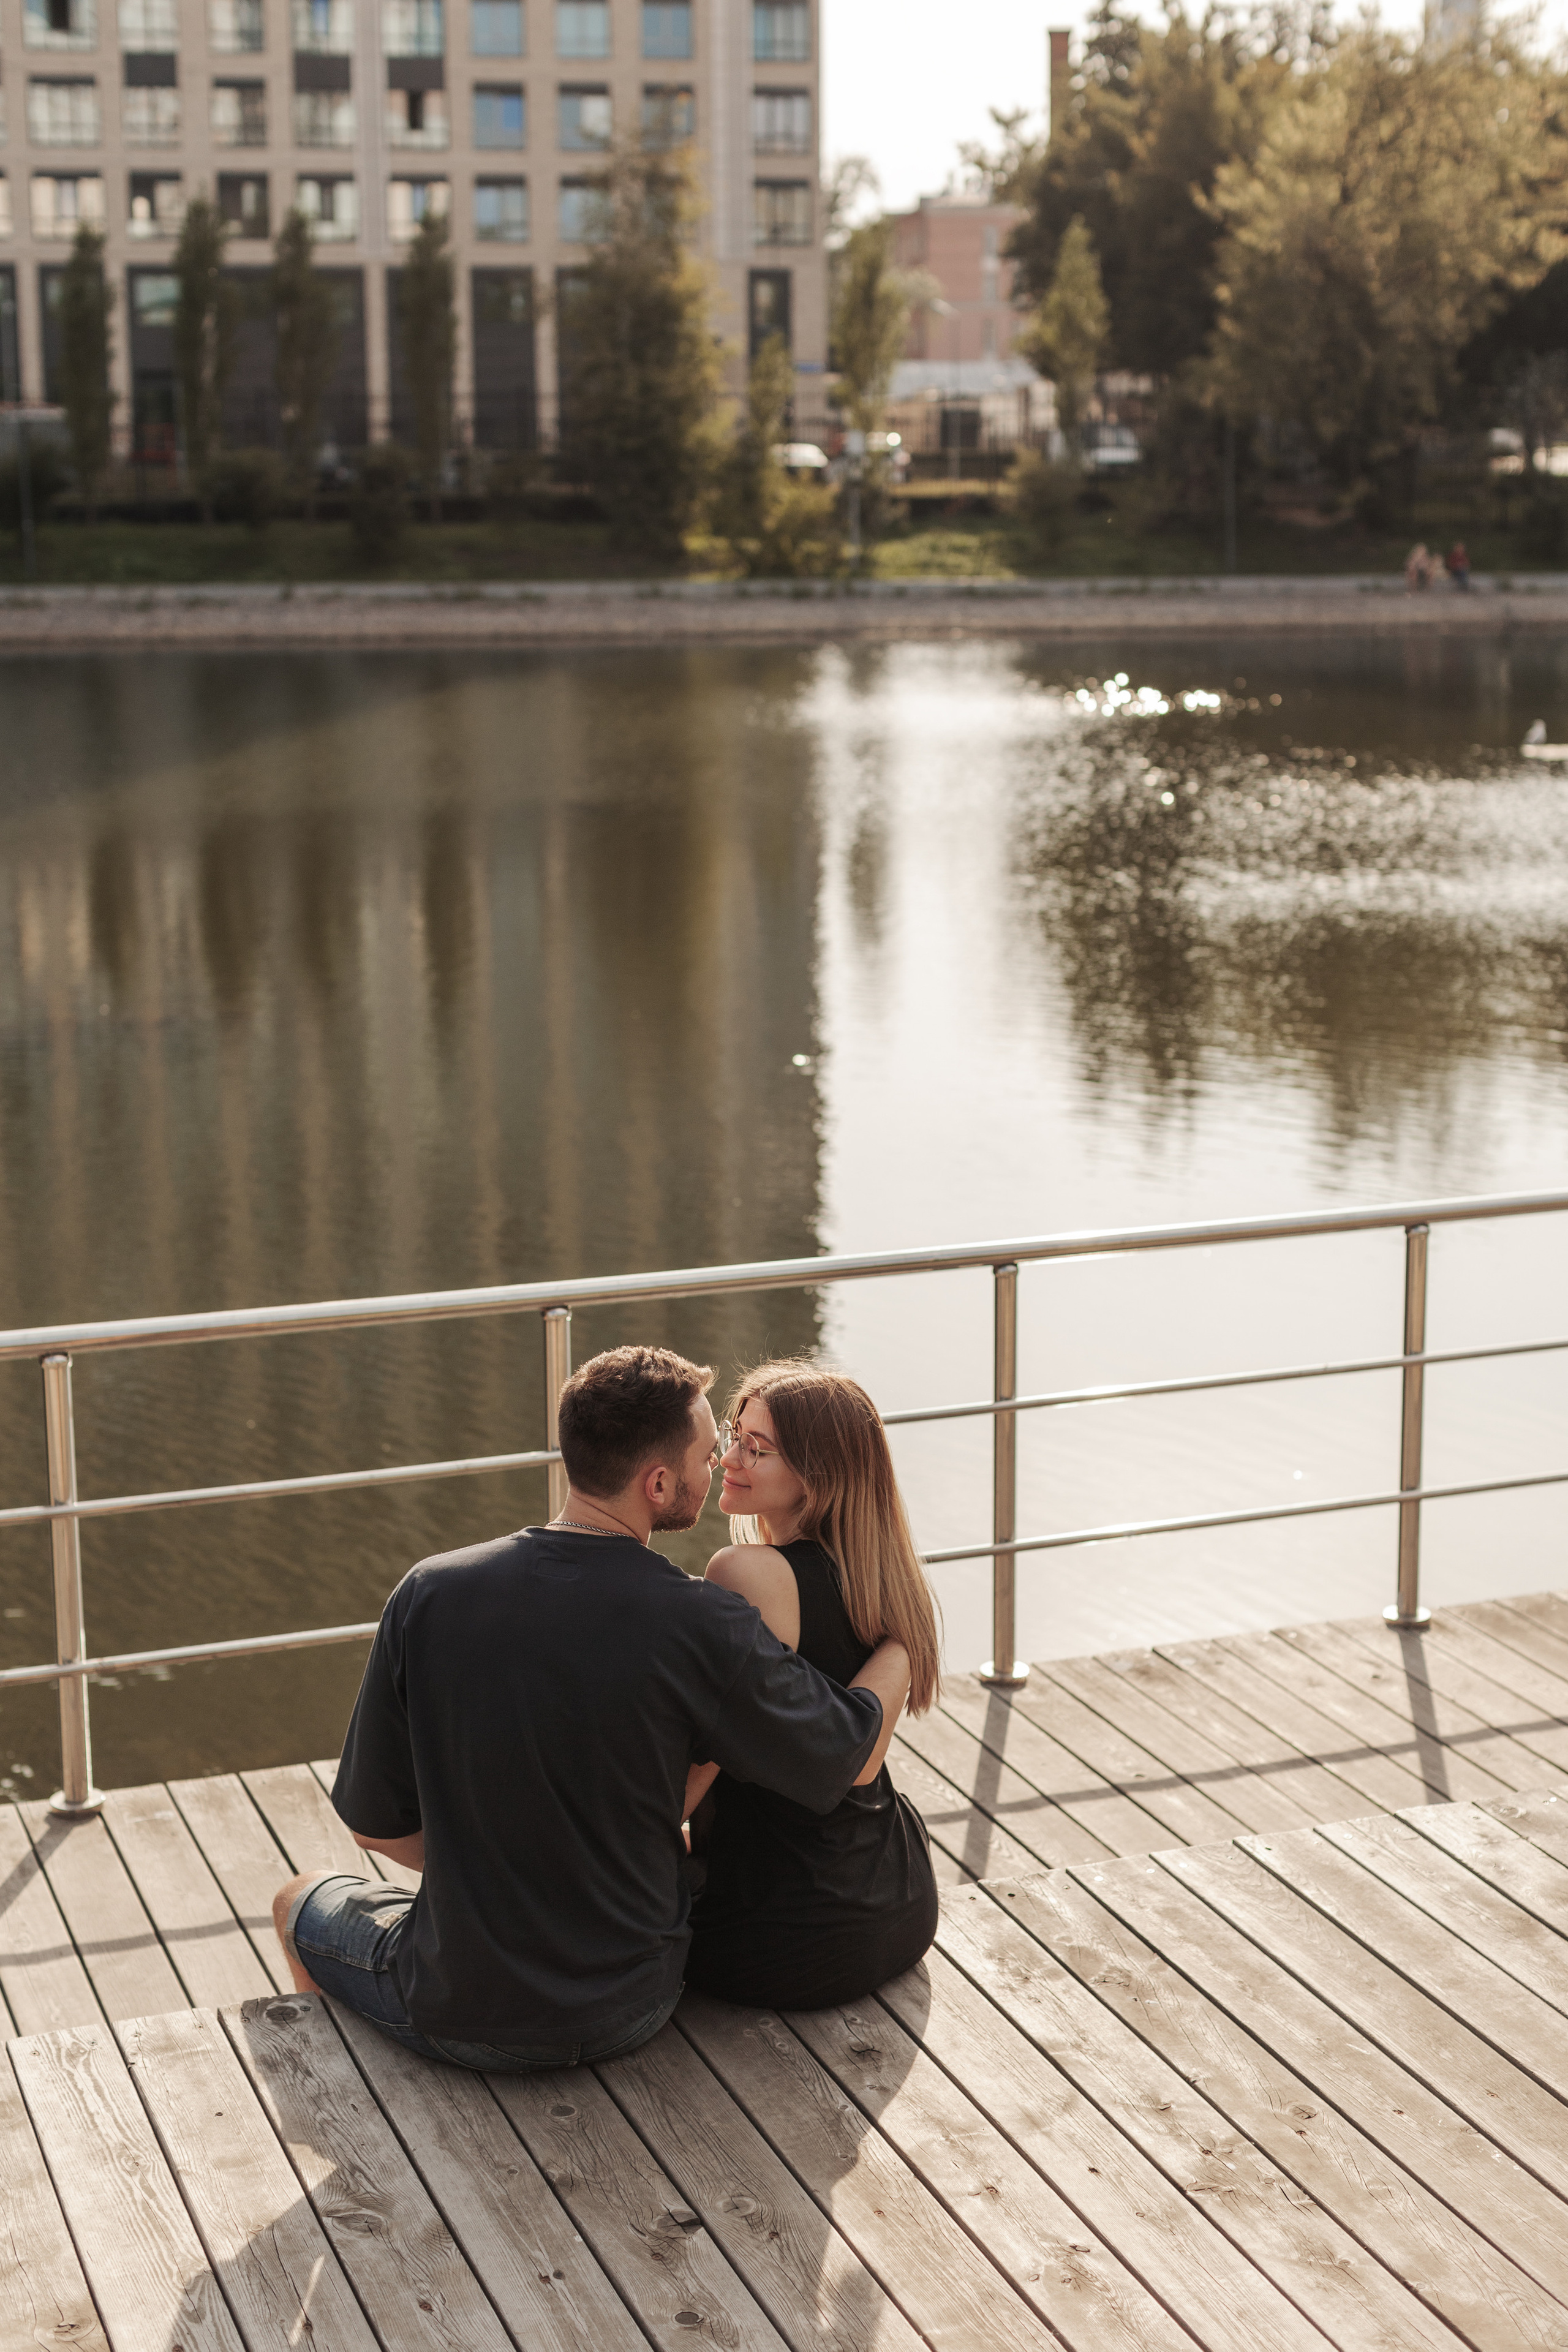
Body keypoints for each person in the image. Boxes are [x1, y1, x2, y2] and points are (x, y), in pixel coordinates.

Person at [271, 1345, 911, 2072]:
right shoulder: (704, 1622)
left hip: (457, 2002)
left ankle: (355, 2090)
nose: (719, 1466)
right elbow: (846, 1748)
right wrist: (902, 1644)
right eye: (710, 1452)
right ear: (660, 1480)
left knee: (298, 1902)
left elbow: (374, 1829)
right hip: (632, 2004)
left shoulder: (428, 1592)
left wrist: (492, 1876)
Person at [683, 1360, 941, 2011]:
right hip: (900, 1902)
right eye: (733, 1433)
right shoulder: (879, 1577)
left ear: (817, 1475)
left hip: (782, 1937)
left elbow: (698, 1764)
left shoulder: (745, 1571)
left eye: (757, 1448)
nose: (726, 1457)